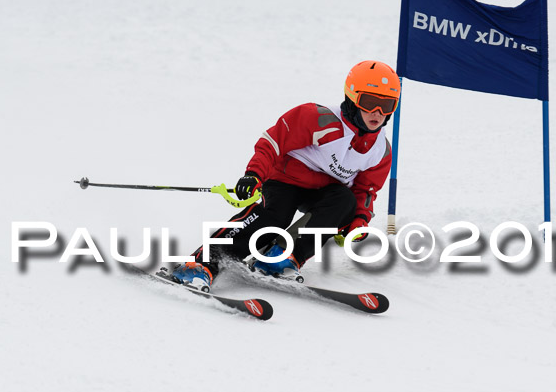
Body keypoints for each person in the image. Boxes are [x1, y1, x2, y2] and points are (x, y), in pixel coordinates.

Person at [169, 60, 401, 291]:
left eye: (387, 105)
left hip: (325, 192)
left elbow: (366, 190)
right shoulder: (320, 118)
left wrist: (358, 221)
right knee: (276, 216)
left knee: (345, 202)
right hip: (285, 180)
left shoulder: (381, 150)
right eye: (369, 102)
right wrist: (253, 175)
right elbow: (273, 142)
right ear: (351, 97)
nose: (378, 113)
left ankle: (282, 256)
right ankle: (202, 263)